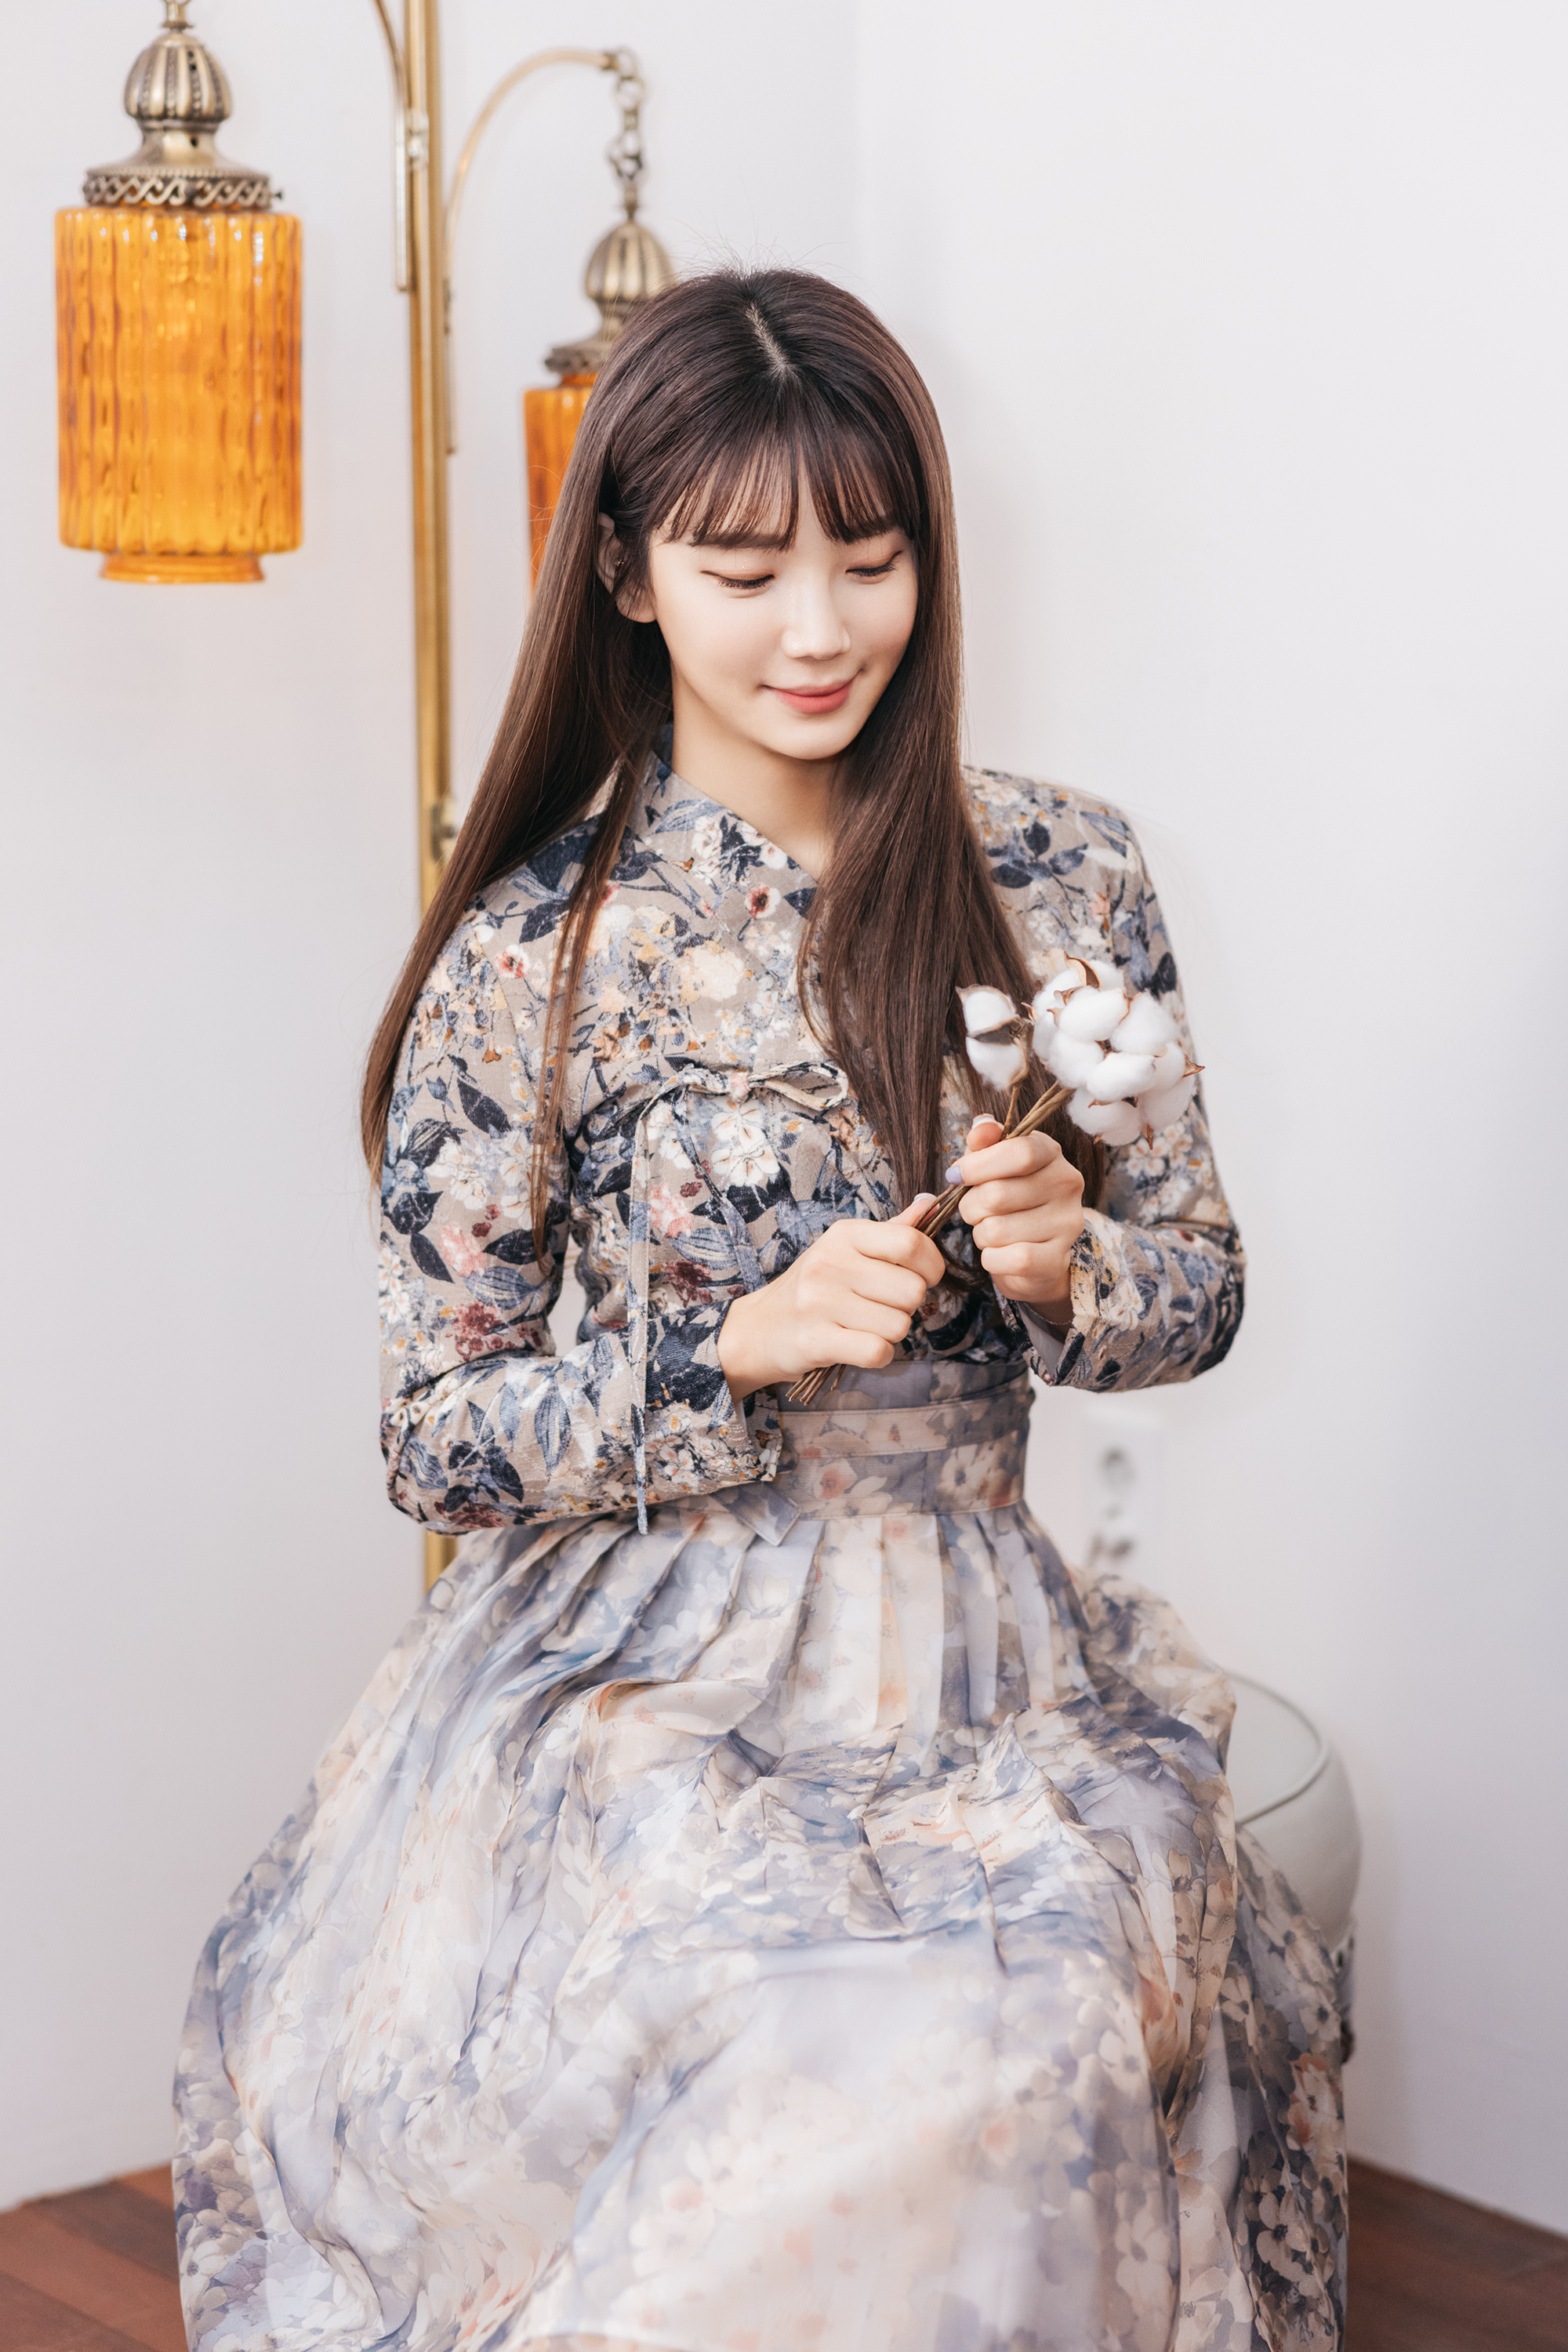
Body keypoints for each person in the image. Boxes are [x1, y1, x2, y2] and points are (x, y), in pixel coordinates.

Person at [175, 269, 1345, 2352]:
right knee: (761, 1987)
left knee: (1031, 1995)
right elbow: (434, 1434)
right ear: (626, 573)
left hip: (981, 1652)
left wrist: (1073, 1270)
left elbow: (1203, 1287)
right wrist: (726, 1349)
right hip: (639, 1655)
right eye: (745, 571)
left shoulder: (1062, 874)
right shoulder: (536, 944)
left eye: (871, 561)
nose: (819, 628)